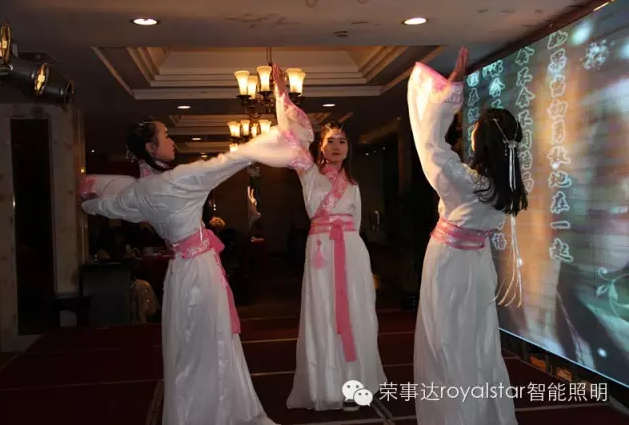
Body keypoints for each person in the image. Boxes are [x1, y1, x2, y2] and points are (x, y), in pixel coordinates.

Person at [80, 108, 301, 425]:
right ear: (151, 148)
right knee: (213, 340)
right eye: (165, 136)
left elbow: (107, 206)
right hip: (199, 269)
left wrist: (88, 201)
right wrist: (277, 137)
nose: (172, 141)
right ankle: (219, 413)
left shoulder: (138, 191)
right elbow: (228, 161)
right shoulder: (178, 180)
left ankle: (193, 414)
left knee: (187, 345)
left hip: (179, 273)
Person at [408, 47, 525, 425]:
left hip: (449, 263)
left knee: (445, 340)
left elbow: (430, 142)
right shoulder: (509, 188)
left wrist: (451, 91)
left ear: (482, 142)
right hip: (478, 265)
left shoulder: (466, 181)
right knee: (479, 341)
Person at [268, 64, 387, 412]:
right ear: (320, 147)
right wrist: (281, 94)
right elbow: (292, 137)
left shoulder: (353, 185)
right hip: (321, 248)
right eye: (330, 141)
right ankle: (329, 385)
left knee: (357, 310)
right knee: (324, 313)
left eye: (342, 141)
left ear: (349, 148)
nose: (336, 146)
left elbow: (357, 223)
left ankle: (357, 383)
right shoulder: (308, 173)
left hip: (351, 249)